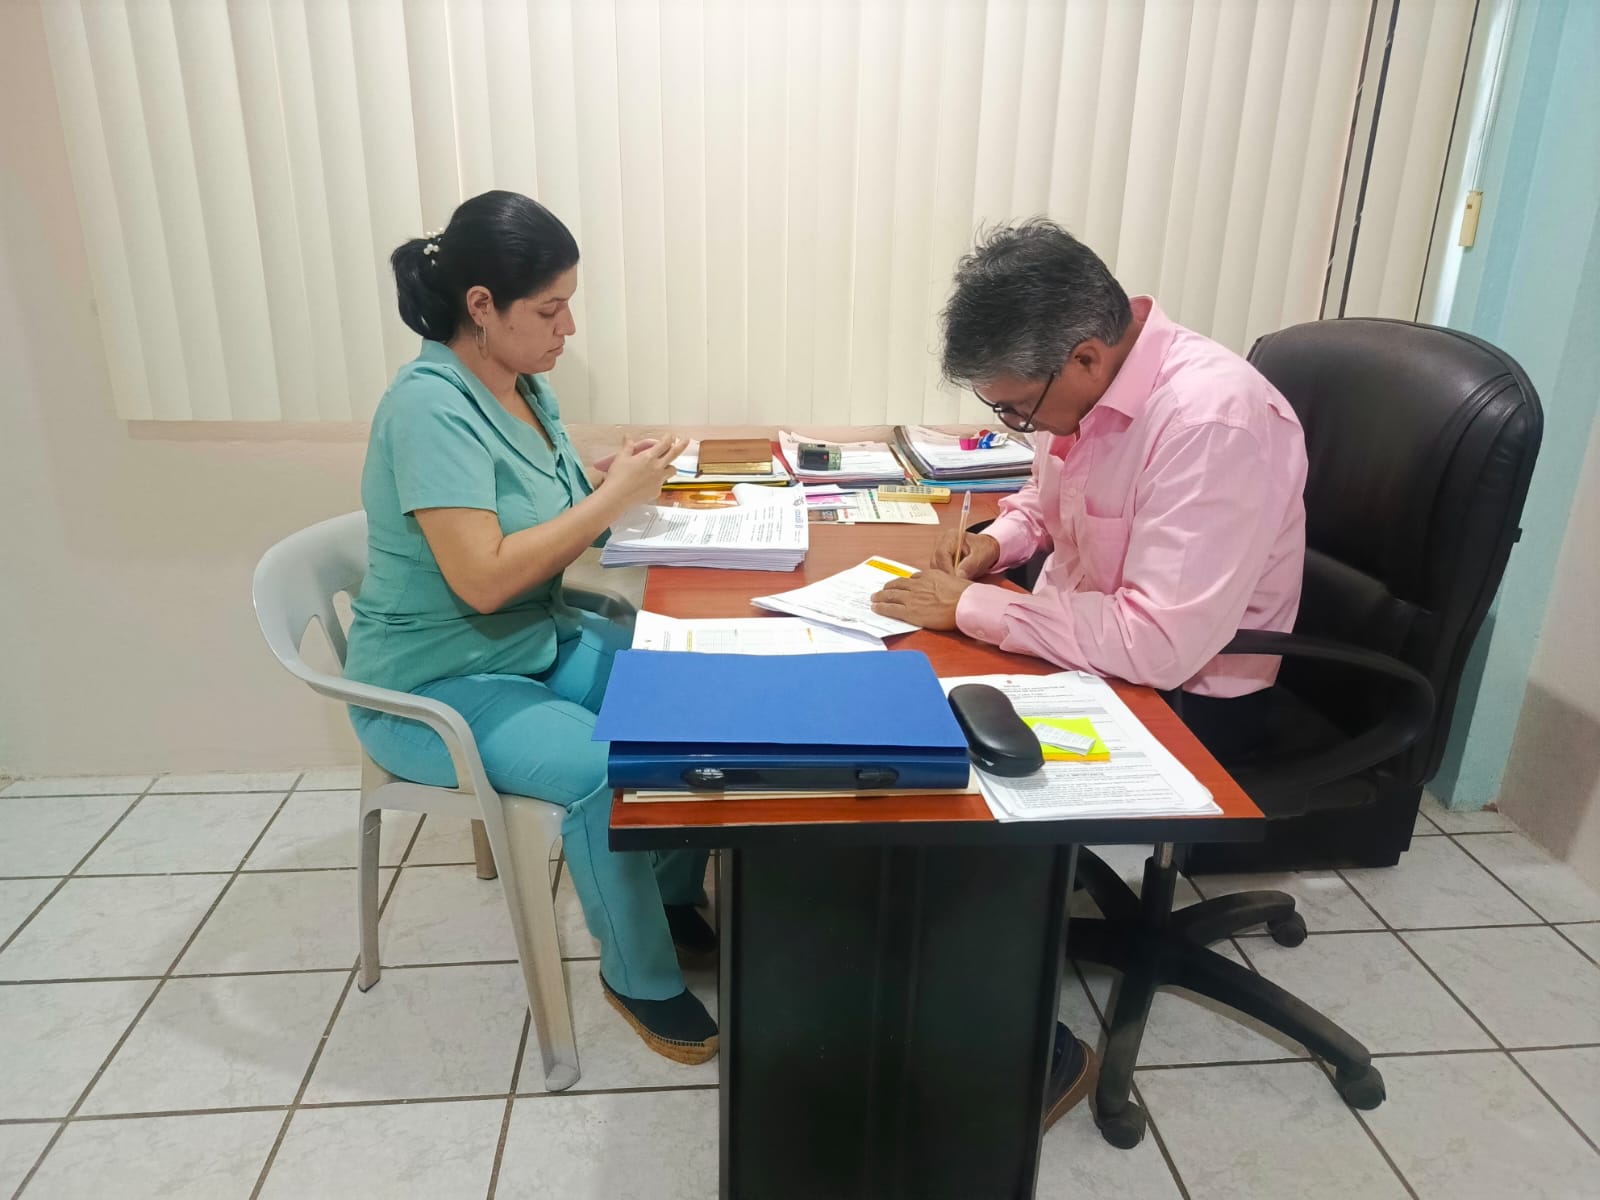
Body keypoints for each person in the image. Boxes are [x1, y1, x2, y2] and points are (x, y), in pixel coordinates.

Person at [871, 219, 1309, 1128]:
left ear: (1085, 356)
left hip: (1189, 694)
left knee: (964, 794)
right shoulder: (1088, 390)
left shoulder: (1212, 421)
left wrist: (972, 608)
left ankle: (1040, 1054)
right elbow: (1046, 504)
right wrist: (991, 547)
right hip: (1089, 648)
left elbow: (1160, 642)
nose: (1019, 426)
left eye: (1017, 411)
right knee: (906, 722)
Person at [342, 190, 717, 1065]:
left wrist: (615, 482)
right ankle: (636, 973)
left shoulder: (522, 389)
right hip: (432, 682)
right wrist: (613, 500)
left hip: (527, 642)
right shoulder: (429, 407)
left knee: (687, 693)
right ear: (482, 306)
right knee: (600, 769)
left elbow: (553, 514)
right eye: (550, 310)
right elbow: (483, 580)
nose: (567, 328)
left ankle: (666, 897)